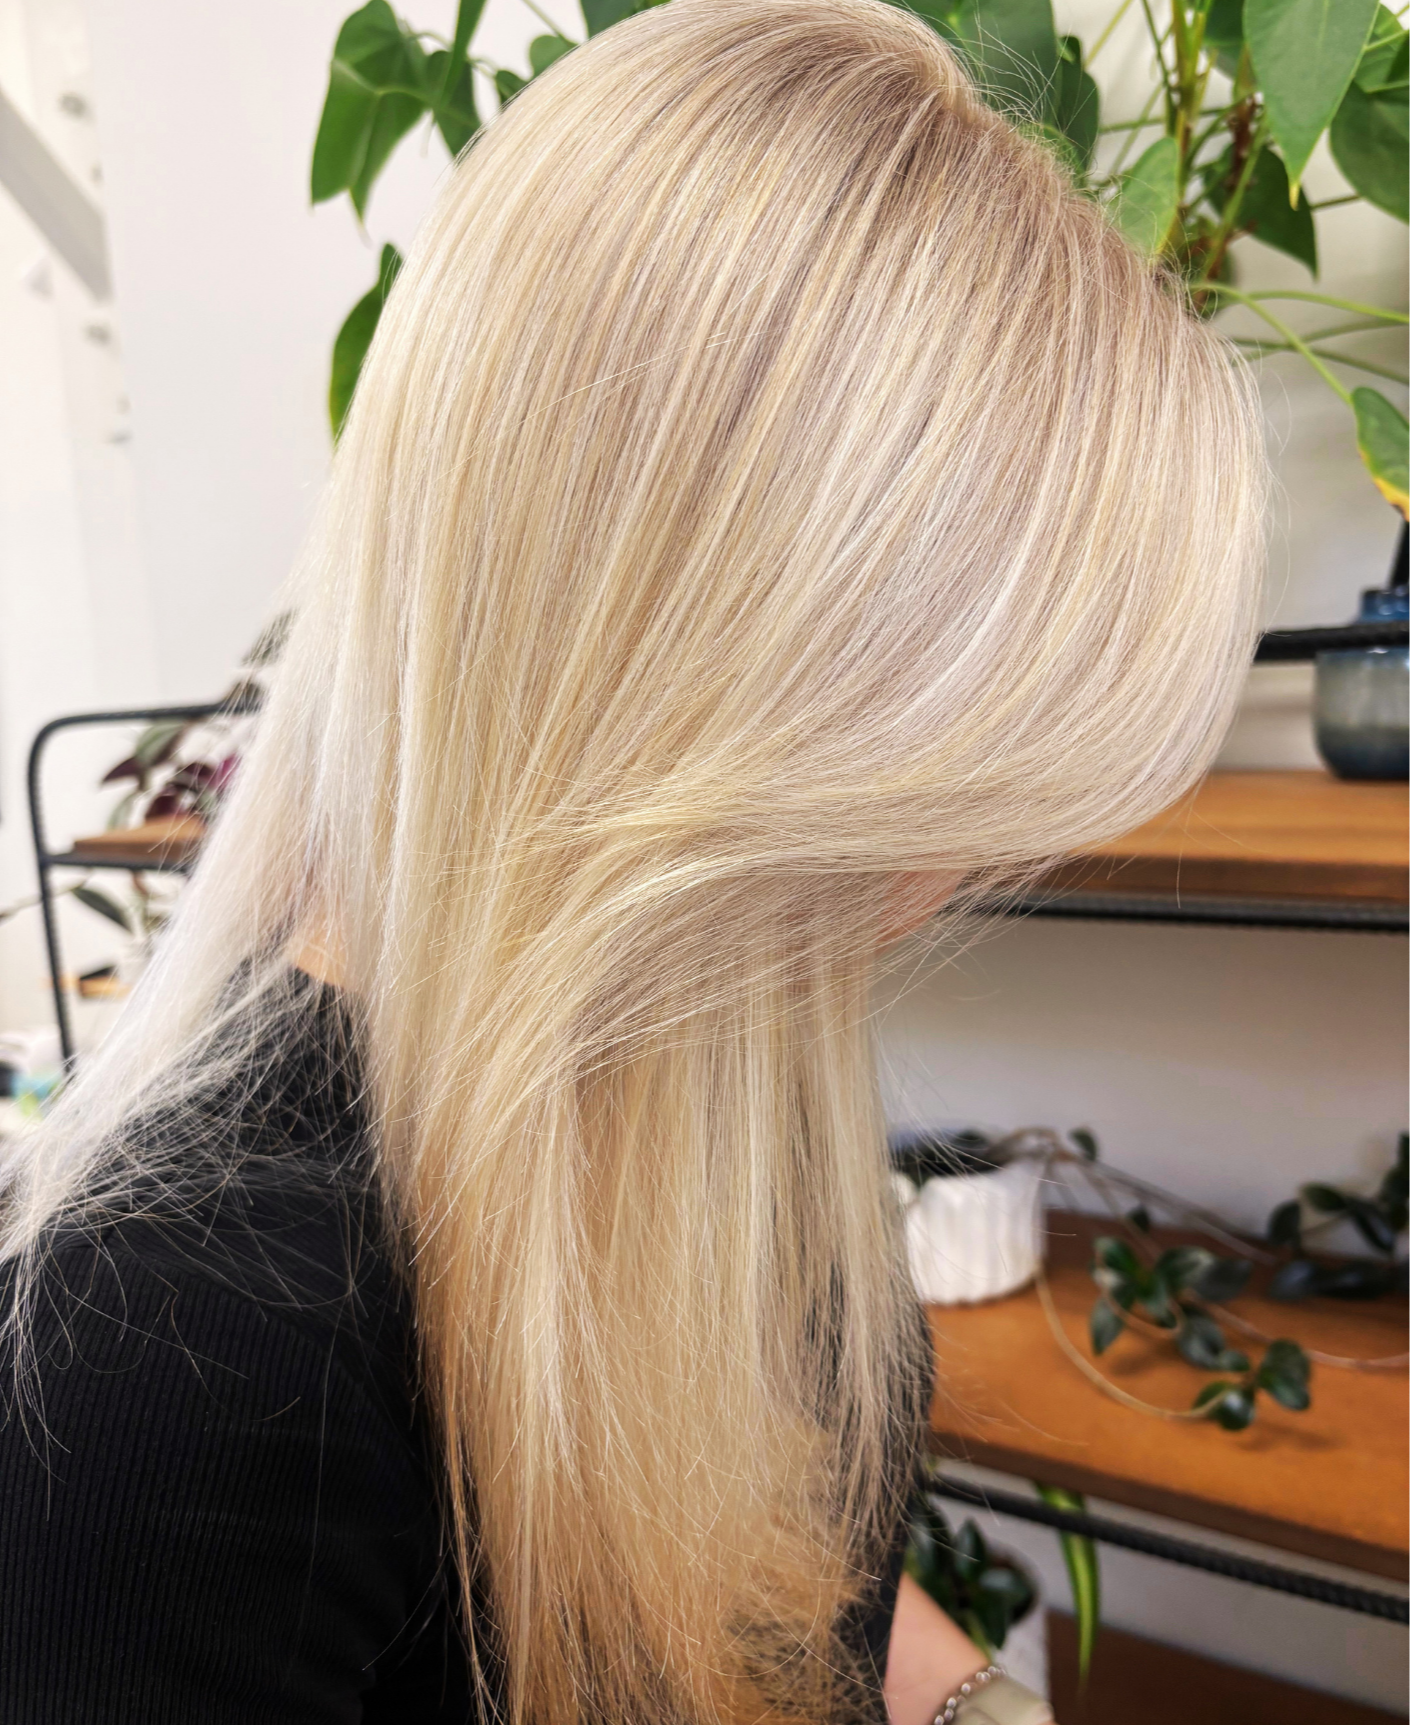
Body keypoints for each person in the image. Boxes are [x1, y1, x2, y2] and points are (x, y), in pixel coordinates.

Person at [0, 1, 1266, 1720]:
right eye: (953, 785)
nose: (976, 863)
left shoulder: (734, 1095)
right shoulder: (186, 1348)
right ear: (719, 708)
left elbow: (810, 1596)